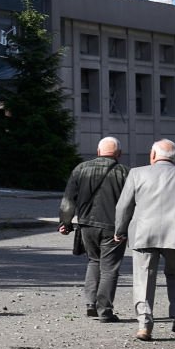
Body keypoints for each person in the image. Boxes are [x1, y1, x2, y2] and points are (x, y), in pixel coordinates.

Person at [114, 138, 175, 342]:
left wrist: (120, 231)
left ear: (153, 155)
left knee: (143, 279)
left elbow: (124, 206)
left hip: (144, 235)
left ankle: (144, 325)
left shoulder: (137, 174)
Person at [58, 136, 128, 321]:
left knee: (94, 261)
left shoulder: (80, 169)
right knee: (110, 268)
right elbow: (131, 203)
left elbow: (68, 200)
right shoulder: (124, 172)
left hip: (86, 225)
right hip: (113, 227)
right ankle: (104, 310)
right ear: (119, 153)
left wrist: (65, 223)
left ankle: (90, 304)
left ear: (98, 152)